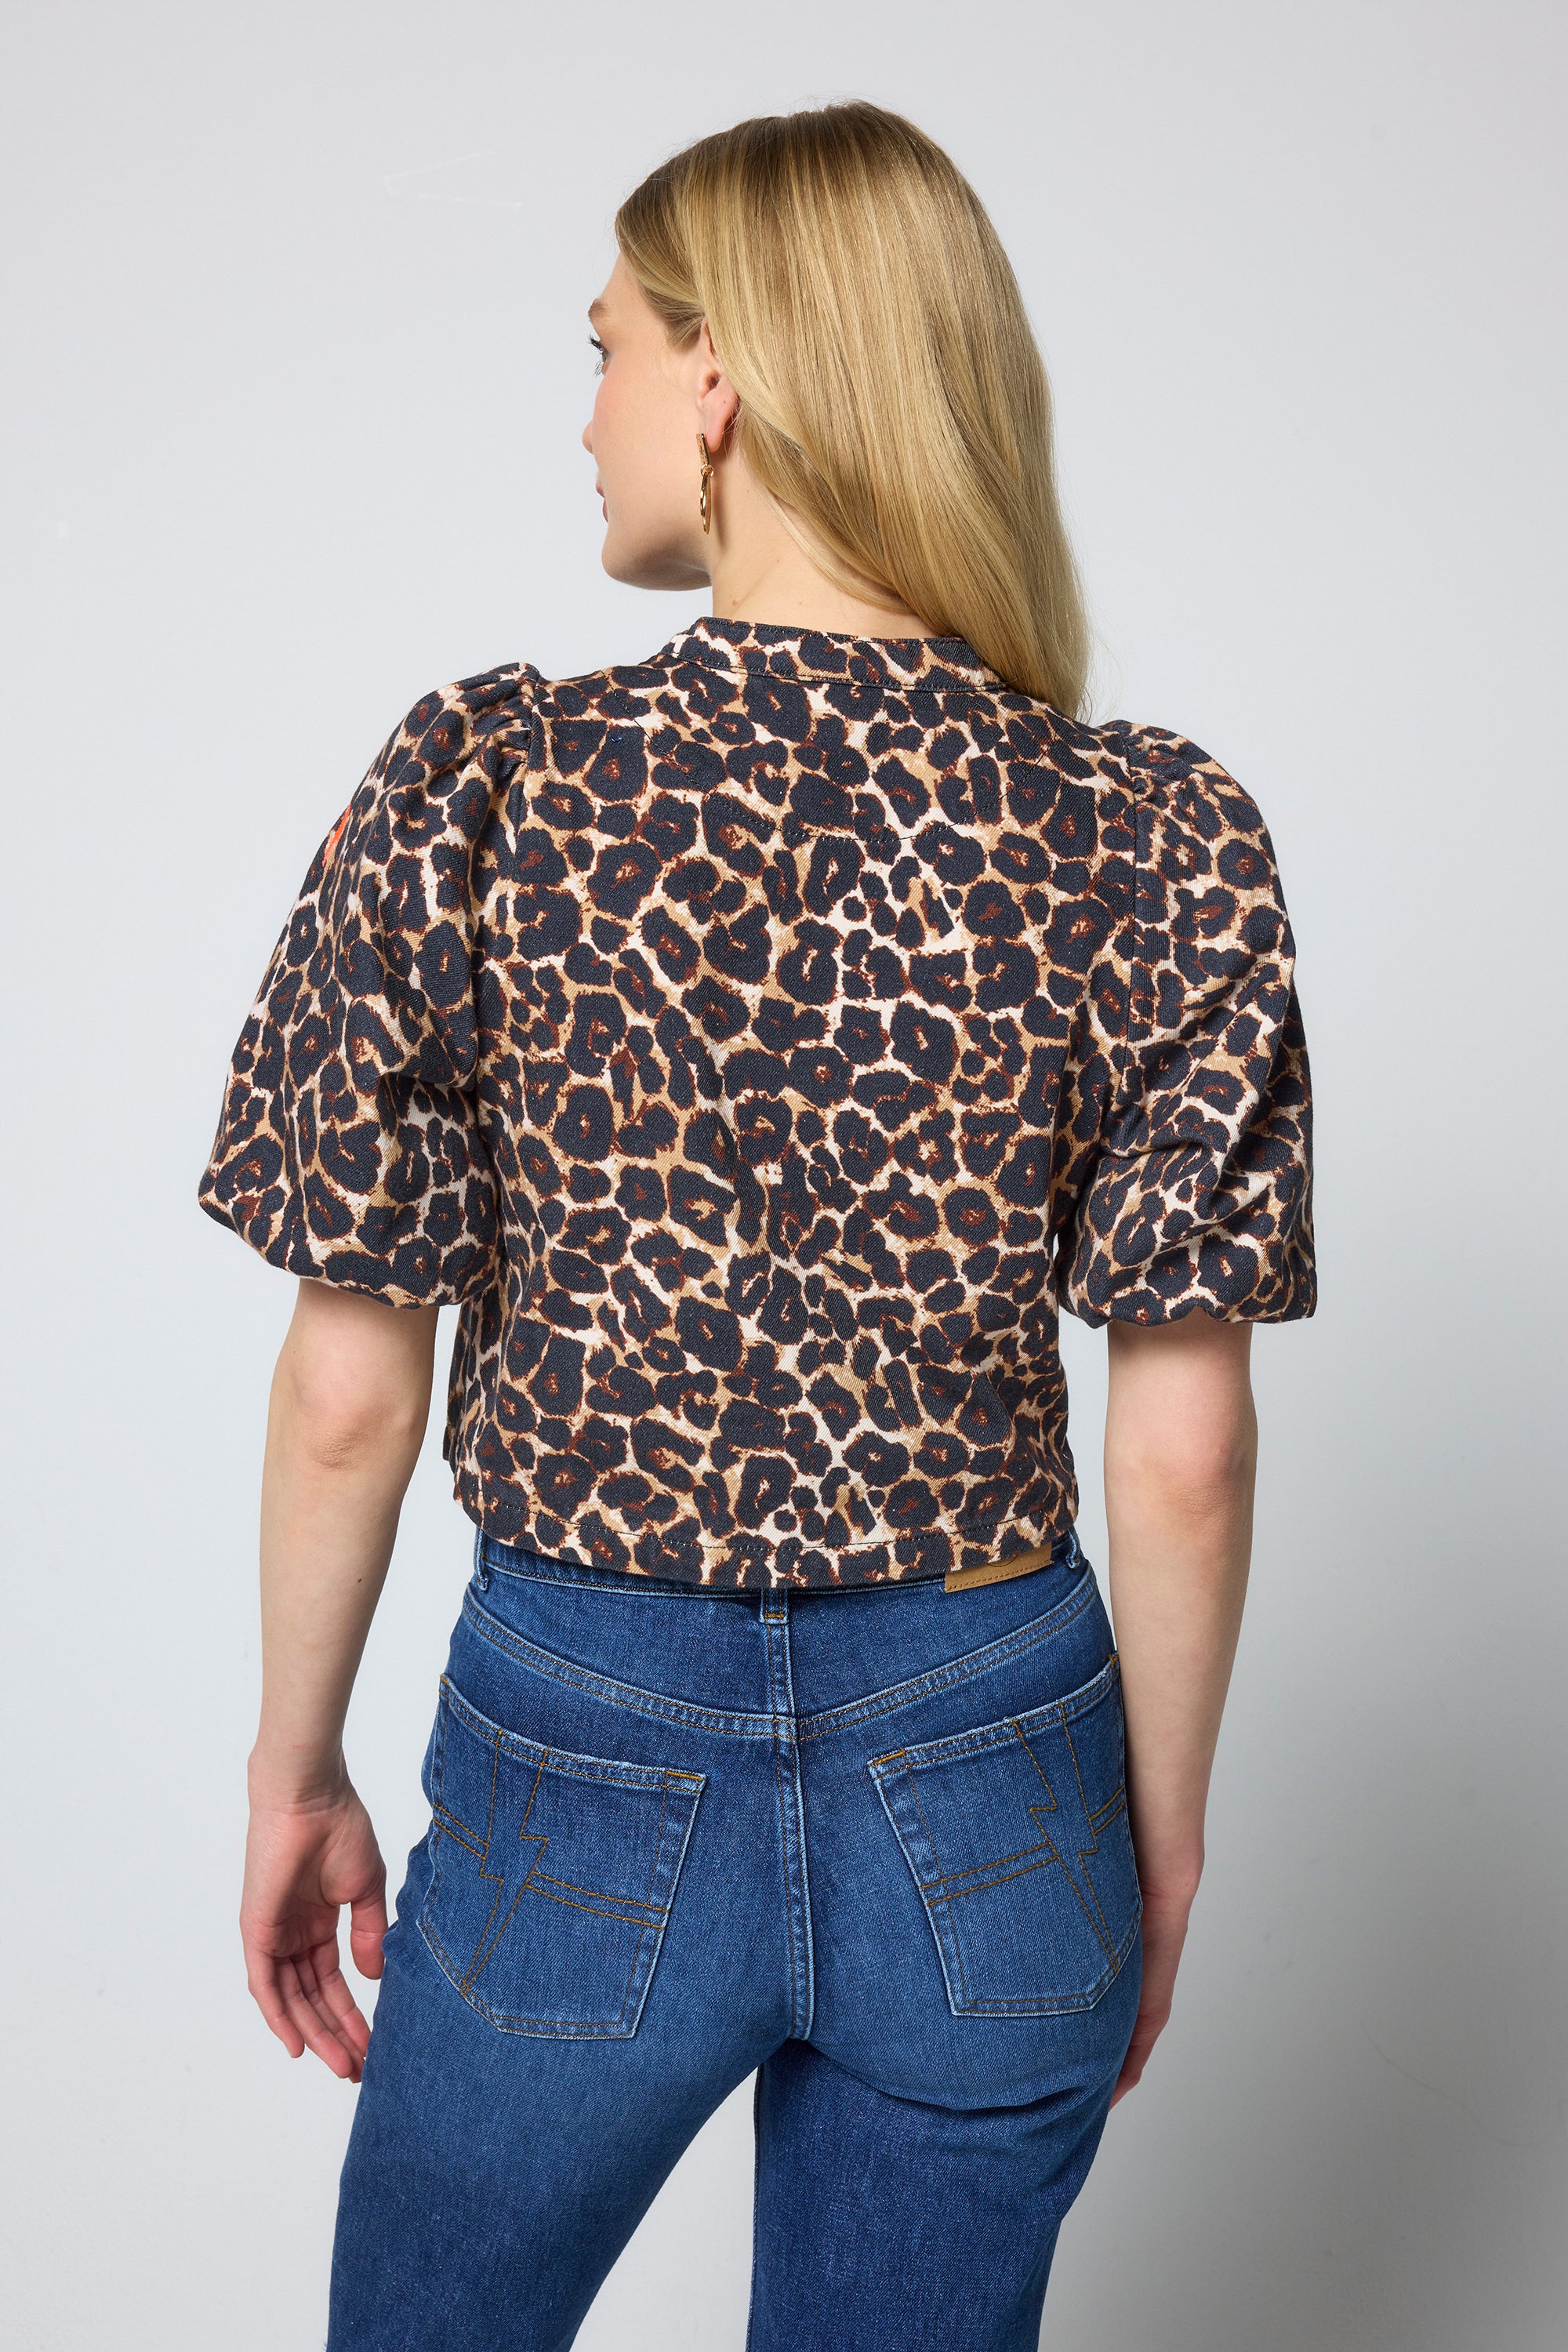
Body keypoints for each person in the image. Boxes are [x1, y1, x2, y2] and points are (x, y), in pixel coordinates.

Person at [199, 100, 1315, 2352]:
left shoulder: (490, 785)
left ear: (717, 379)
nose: (587, 409)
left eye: (606, 347)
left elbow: (347, 1400)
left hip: (583, 1735)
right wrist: (1152, 1835)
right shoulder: (1155, 830)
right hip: (997, 1758)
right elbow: (1184, 1448)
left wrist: (293, 1768)